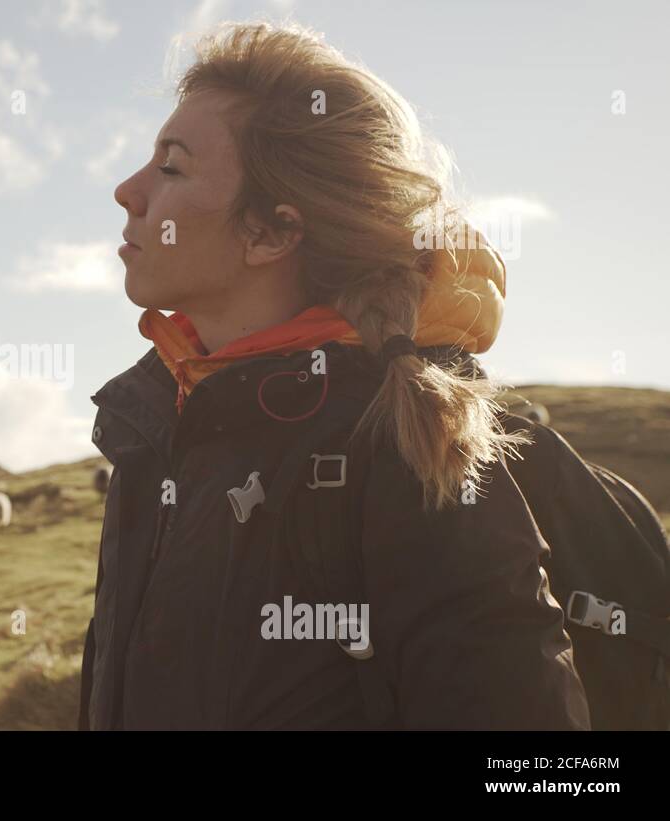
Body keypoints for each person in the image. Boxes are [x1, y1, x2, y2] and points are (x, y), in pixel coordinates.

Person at [79, 21, 590, 730]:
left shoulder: (406, 447)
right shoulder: (153, 436)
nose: (127, 191)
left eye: (172, 168)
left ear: (271, 232)